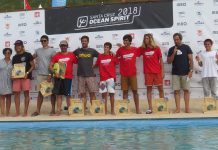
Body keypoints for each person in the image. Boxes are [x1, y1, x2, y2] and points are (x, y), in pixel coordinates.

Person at [167, 33, 193, 113]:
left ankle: (187, 108)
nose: (176, 41)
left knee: (186, 90)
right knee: (176, 91)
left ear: (181, 39)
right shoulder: (171, 49)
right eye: (174, 39)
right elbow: (168, 61)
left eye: (177, 39)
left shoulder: (186, 47)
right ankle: (178, 109)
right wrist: (174, 53)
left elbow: (191, 60)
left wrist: (191, 71)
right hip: (175, 73)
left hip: (185, 73)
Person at [50, 40, 77, 116]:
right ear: (60, 46)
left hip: (68, 78)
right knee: (59, 95)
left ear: (67, 46)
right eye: (62, 45)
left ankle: (70, 111)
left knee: (68, 95)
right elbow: (50, 66)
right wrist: (55, 73)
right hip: (58, 78)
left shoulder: (72, 55)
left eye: (64, 45)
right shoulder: (56, 55)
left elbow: (78, 61)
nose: (63, 47)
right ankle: (58, 111)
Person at [139, 33, 164, 114]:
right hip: (148, 73)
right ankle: (150, 108)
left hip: (157, 72)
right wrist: (122, 46)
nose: (145, 40)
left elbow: (161, 60)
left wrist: (162, 71)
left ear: (150, 39)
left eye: (146, 38)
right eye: (144, 38)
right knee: (149, 90)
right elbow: (132, 51)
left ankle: (162, 106)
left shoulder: (157, 48)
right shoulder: (142, 49)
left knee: (160, 89)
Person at [31, 35, 57, 116]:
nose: (43, 42)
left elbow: (55, 64)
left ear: (48, 41)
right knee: (40, 93)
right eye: (42, 41)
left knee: (52, 93)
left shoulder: (52, 50)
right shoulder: (38, 50)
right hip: (40, 75)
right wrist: (32, 63)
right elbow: (30, 58)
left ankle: (53, 110)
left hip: (50, 75)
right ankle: (37, 111)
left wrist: (51, 74)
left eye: (45, 40)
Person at [116, 34, 141, 114]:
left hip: (133, 74)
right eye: (124, 40)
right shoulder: (120, 50)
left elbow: (143, 50)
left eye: (126, 40)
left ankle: (137, 109)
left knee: (135, 92)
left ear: (130, 41)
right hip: (124, 74)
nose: (125, 42)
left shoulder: (135, 49)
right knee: (125, 92)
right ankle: (124, 110)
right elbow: (115, 58)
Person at [73, 36, 99, 111]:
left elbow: (101, 57)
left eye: (85, 41)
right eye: (83, 41)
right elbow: (70, 56)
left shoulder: (92, 51)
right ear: (81, 42)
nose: (84, 42)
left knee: (92, 93)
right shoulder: (77, 51)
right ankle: (83, 110)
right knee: (83, 94)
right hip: (80, 75)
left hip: (90, 75)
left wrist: (96, 65)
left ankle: (94, 109)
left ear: (88, 42)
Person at [94, 42, 118, 115]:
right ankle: (104, 110)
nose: (105, 48)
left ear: (110, 48)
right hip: (102, 80)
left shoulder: (112, 56)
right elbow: (95, 65)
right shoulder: (100, 56)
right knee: (103, 95)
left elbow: (118, 62)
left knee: (111, 95)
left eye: (107, 47)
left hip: (111, 79)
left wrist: (115, 55)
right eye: (105, 47)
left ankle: (112, 110)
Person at [12, 40, 35, 116]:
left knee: (26, 94)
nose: (17, 47)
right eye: (16, 45)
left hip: (26, 77)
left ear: (22, 46)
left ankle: (25, 112)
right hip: (16, 78)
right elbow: (13, 68)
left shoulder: (28, 55)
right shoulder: (14, 57)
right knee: (16, 95)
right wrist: (12, 75)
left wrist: (27, 73)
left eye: (19, 45)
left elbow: (33, 66)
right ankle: (17, 112)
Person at [0, 48, 13, 116]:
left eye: (9, 53)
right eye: (6, 53)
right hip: (1, 81)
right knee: (2, 97)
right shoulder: (0, 61)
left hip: (10, 82)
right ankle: (2, 113)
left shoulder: (13, 62)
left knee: (8, 97)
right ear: (4, 53)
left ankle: (7, 113)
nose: (7, 54)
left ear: (11, 54)